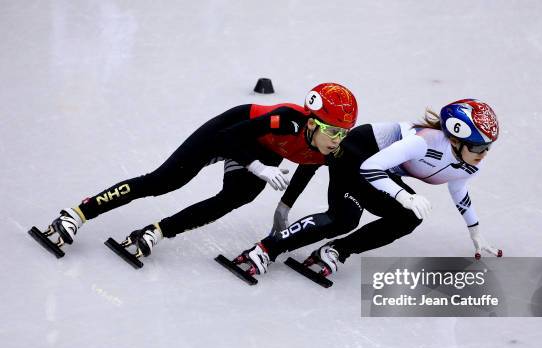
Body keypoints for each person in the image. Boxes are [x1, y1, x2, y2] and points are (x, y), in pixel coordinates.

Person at [33, 83, 358, 261]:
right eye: (334, 132)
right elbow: (228, 139)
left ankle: (155, 232)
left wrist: (284, 206)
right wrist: (257, 167)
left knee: (235, 197)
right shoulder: (286, 119)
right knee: (165, 181)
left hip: (263, 150)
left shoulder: (327, 147)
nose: (338, 140)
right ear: (313, 123)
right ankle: (76, 214)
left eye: (344, 133)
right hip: (233, 130)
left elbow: (306, 168)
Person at [240, 98, 502, 277]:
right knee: (342, 219)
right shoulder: (424, 142)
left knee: (409, 217)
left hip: (380, 168)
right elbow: (369, 168)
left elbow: (459, 191)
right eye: (478, 147)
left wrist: (474, 230)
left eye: (488, 146)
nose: (484, 154)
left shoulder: (469, 162)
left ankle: (335, 251)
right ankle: (264, 249)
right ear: (455, 140)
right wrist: (404, 196)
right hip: (355, 152)